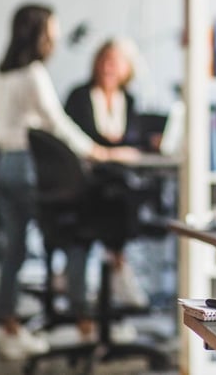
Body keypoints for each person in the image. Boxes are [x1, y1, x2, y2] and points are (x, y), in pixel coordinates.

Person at [0, 4, 137, 359]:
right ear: (39, 34)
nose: (55, 39)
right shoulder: (34, 73)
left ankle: (6, 323)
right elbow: (57, 124)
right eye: (52, 32)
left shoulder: (4, 72)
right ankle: (82, 318)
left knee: (14, 249)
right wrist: (97, 152)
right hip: (27, 165)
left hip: (3, 163)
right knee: (72, 231)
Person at [64, 38, 152, 310]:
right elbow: (74, 140)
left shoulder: (130, 101)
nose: (108, 66)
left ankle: (116, 268)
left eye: (115, 61)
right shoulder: (79, 96)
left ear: (127, 68)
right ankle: (117, 268)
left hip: (116, 184)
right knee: (114, 202)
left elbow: (136, 142)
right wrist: (110, 152)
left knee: (122, 195)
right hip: (83, 183)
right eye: (104, 59)